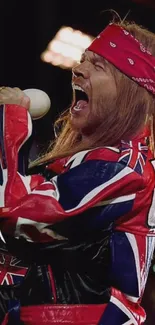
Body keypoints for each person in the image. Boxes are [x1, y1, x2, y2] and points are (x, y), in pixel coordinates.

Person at [0, 20, 155, 325]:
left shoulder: (122, 170)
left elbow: (15, 216)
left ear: (131, 90)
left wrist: (9, 123)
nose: (78, 68)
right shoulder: (93, 163)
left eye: (98, 65)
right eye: (83, 59)